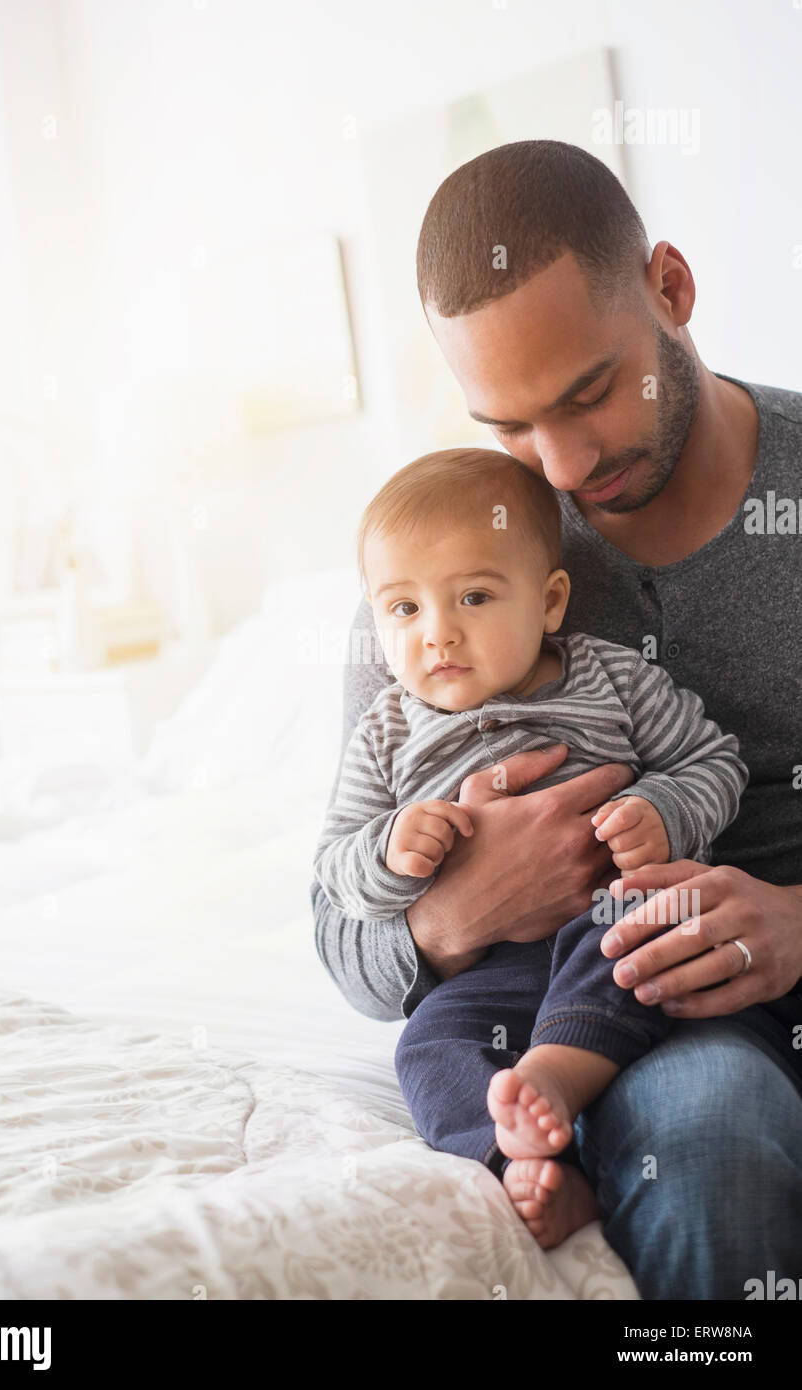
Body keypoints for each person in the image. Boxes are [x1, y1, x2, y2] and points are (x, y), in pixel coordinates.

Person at [311, 139, 802, 1299]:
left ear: (669, 289)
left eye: (589, 394)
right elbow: (338, 932)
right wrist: (446, 920)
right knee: (694, 1129)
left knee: (707, 1120)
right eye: (511, 427)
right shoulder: (446, 570)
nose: (564, 466)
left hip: (737, 979)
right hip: (561, 1012)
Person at [313, 447, 752, 1248]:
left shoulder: (611, 677)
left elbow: (713, 760)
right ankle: (515, 1164)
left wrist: (661, 807)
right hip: (493, 973)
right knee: (428, 1046)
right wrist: (388, 852)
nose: (437, 634)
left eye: (473, 597)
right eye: (403, 610)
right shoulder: (386, 732)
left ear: (550, 602)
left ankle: (555, 1072)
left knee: (638, 930)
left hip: (610, 921)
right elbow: (335, 871)